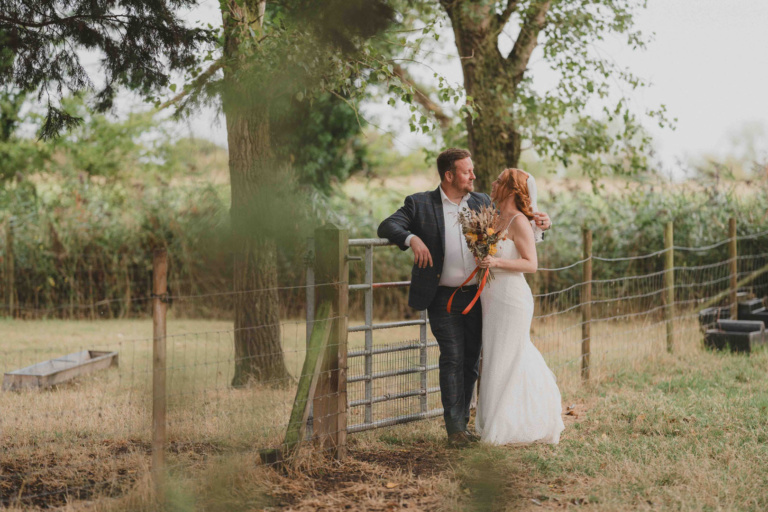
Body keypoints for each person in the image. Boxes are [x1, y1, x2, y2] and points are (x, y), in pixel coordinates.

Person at [377, 148, 552, 446]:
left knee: (471, 360)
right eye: (467, 171)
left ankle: (465, 423)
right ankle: (455, 429)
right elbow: (387, 225)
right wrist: (412, 238)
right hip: (442, 297)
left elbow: (516, 224)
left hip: (481, 297)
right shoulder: (420, 203)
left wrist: (542, 225)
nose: (474, 175)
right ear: (449, 175)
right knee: (453, 356)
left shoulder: (482, 201)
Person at [475, 168, 564, 445]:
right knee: (494, 356)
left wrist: (496, 262)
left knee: (511, 354)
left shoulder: (519, 221)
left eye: (499, 181)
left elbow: (531, 264)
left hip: (511, 298)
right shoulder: (492, 217)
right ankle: (496, 419)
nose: (493, 183)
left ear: (512, 190)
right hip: (490, 297)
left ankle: (522, 421)